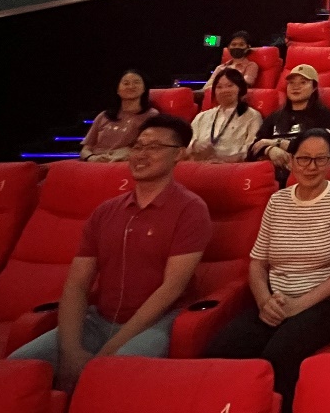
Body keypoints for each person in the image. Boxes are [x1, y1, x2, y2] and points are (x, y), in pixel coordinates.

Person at [11, 116, 212, 389]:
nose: (141, 154)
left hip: (156, 322)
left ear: (178, 154)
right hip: (98, 320)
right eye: (137, 146)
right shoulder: (106, 211)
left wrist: (108, 351)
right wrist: (70, 351)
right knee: (17, 369)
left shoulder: (190, 209)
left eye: (153, 147)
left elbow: (172, 288)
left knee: (108, 378)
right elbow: (77, 284)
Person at [206, 128, 330, 412]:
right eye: (303, 159)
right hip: (275, 299)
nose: (311, 167)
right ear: (290, 161)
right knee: (222, 349)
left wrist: (299, 305)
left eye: (320, 159)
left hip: (324, 302)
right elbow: (258, 262)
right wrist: (264, 301)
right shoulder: (277, 201)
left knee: (279, 355)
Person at [250, 65, 330, 185]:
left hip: (305, 174)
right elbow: (254, 148)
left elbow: (316, 148)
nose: (296, 87)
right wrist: (270, 150)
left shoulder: (323, 115)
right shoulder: (275, 117)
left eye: (303, 82)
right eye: (291, 83)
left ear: (314, 88)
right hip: (270, 177)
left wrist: (276, 143)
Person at [81, 70, 159, 161]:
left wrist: (127, 152)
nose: (131, 86)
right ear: (117, 90)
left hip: (124, 162)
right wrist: (92, 158)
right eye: (126, 83)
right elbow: (85, 149)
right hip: (96, 162)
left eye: (136, 82)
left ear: (144, 88)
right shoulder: (103, 116)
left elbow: (150, 147)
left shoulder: (151, 115)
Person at [189, 68, 264, 162]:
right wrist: (195, 145)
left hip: (232, 167)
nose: (224, 90)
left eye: (230, 86)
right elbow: (186, 144)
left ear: (240, 89)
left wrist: (222, 159)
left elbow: (252, 149)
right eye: (219, 87)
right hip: (199, 165)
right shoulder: (202, 116)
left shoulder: (252, 116)